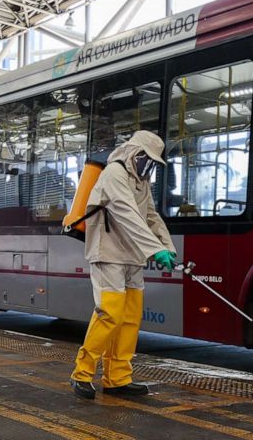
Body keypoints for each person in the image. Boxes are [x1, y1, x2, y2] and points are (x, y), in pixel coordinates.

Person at [70, 130, 177, 400]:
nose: (149, 166)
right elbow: (127, 214)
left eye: (153, 163)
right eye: (147, 160)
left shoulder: (142, 180)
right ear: (134, 153)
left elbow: (150, 215)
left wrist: (168, 247)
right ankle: (82, 373)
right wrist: (154, 250)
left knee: (130, 317)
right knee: (110, 313)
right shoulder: (114, 174)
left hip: (132, 254)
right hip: (108, 253)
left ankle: (117, 378)